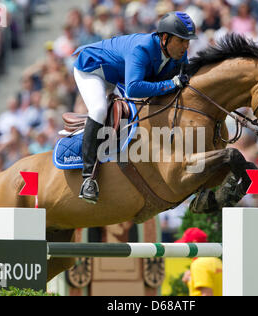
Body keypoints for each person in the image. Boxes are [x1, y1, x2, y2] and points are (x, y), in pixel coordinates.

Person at [72, 11, 197, 203]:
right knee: (98, 109)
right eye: (181, 40)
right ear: (165, 38)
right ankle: (88, 178)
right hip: (93, 70)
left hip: (120, 76)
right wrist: (172, 84)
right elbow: (134, 88)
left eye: (187, 41)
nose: (186, 46)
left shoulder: (178, 53)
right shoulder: (142, 48)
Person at [177, 227, 223, 296]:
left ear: (194, 243)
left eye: (186, 244)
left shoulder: (199, 265)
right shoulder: (217, 261)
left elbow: (206, 294)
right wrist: (191, 281)